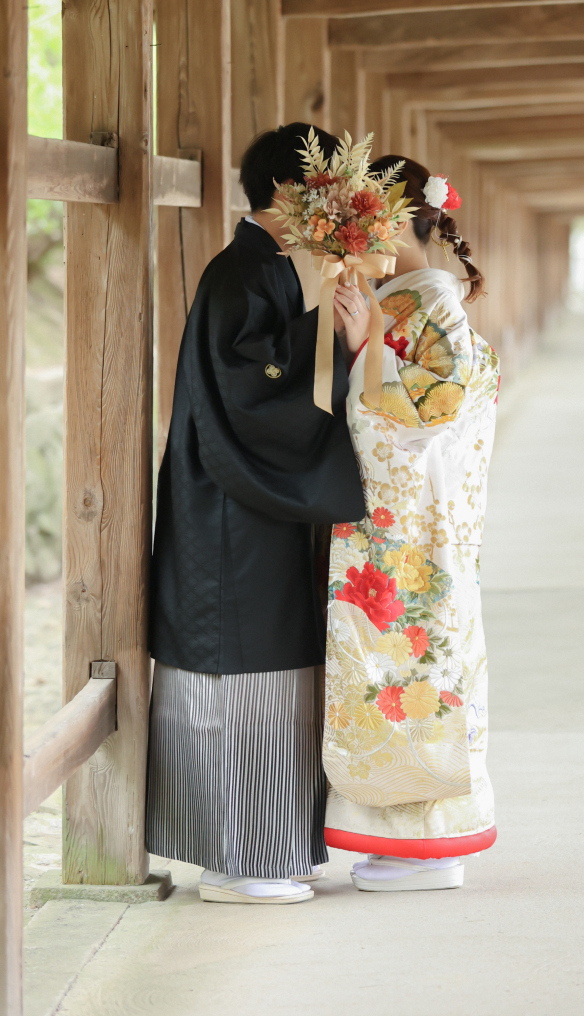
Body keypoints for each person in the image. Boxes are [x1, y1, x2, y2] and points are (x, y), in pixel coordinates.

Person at [145, 122, 366, 905]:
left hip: (261, 494)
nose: (339, 202)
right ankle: (238, 859)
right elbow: (252, 392)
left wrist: (336, 336)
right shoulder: (239, 274)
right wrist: (342, 347)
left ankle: (278, 846)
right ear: (285, 190)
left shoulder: (272, 269)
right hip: (231, 503)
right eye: (327, 186)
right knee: (241, 659)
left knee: (281, 661)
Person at [322, 155, 500, 892]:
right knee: (398, 671)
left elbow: (435, 412)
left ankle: (428, 842)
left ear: (394, 222)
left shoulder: (432, 305)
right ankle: (399, 837)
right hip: (408, 527)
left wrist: (367, 350)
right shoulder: (416, 299)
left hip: (413, 534)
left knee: (412, 671)